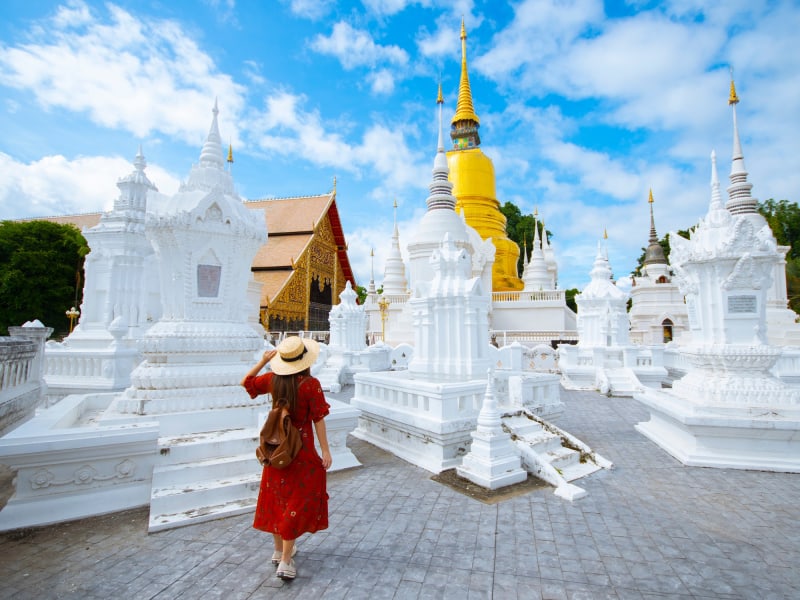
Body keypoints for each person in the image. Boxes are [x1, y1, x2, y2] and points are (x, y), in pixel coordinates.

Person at [241, 336, 332, 581]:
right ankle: (285, 560)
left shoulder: (274, 380)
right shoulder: (311, 384)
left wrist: (263, 362)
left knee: (277, 497)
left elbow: (247, 383)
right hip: (301, 449)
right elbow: (318, 419)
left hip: (277, 448)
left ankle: (279, 549)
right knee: (297, 501)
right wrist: (325, 450)